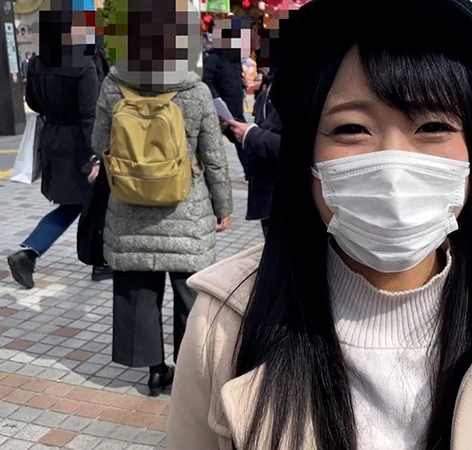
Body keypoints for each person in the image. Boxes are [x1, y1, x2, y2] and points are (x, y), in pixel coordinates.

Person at [168, 0, 472, 448]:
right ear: (305, 154)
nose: (393, 167)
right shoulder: (224, 323)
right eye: (351, 128)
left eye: (432, 125)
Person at [91, 0, 233, 397]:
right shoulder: (195, 91)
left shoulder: (112, 85)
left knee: (138, 289)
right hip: (185, 209)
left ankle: (155, 371)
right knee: (191, 294)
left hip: (129, 206)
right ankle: (188, 372)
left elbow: (100, 144)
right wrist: (223, 206)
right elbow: (213, 157)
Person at [7, 2, 105, 289]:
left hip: (52, 139)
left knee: (77, 202)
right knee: (94, 200)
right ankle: (98, 261)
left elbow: (33, 101)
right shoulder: (84, 64)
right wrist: (97, 156)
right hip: (80, 143)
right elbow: (90, 115)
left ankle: (31, 252)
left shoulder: (38, 62)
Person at [222, 66, 281, 238]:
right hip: (266, 195)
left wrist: (250, 135)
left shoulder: (305, 89)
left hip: (287, 198)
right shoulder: (268, 87)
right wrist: (232, 129)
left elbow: (299, 148)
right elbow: (263, 129)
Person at [203, 18, 252, 183]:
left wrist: (242, 82)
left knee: (243, 142)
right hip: (220, 112)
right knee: (211, 146)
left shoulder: (234, 58)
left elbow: (233, 78)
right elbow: (207, 81)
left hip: (236, 110)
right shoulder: (213, 58)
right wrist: (217, 100)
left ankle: (249, 172)